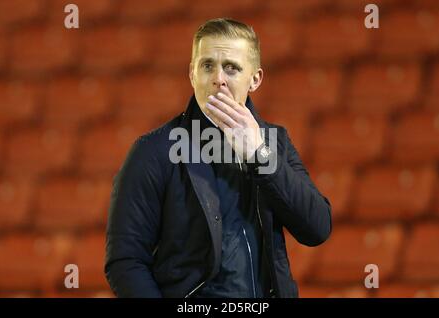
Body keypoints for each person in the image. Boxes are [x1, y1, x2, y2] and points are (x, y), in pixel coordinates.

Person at [105, 18, 332, 298]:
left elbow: (317, 228)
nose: (218, 79)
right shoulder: (153, 151)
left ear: (255, 79)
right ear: (192, 74)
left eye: (232, 68)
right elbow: (125, 261)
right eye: (207, 65)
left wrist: (259, 155)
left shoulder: (275, 142)